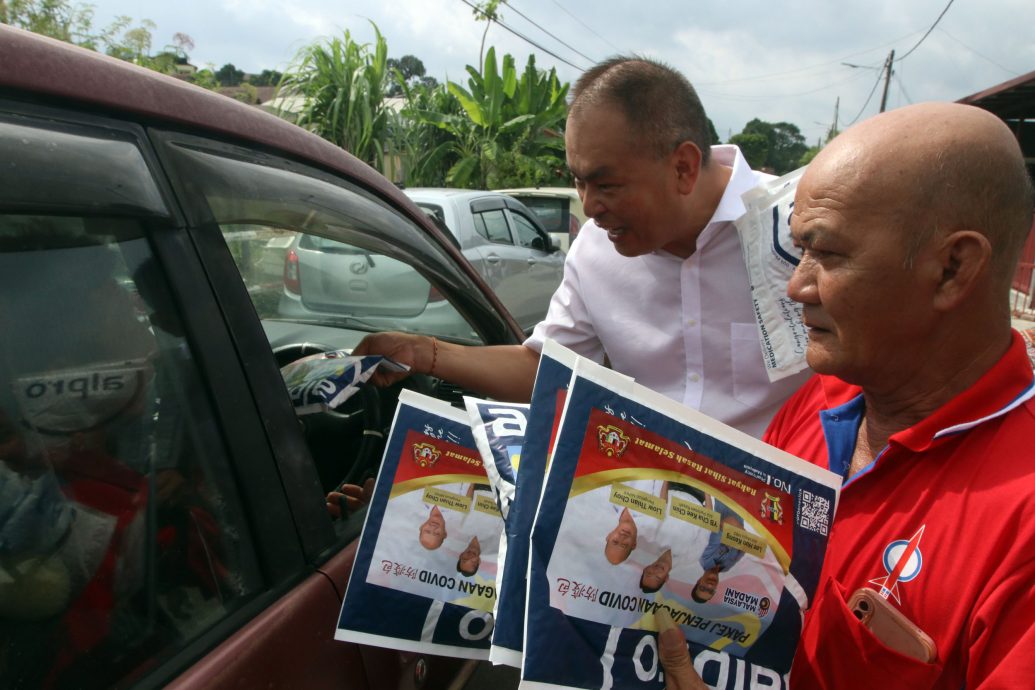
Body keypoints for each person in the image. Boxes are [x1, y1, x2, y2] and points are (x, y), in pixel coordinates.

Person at [660, 102, 1035, 689]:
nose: (796, 284)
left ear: (953, 268)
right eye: (799, 250)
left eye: (827, 254)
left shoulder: (1021, 518)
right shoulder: (819, 404)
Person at [355, 56, 809, 440]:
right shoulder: (596, 250)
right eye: (578, 180)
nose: (590, 208)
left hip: (782, 530)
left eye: (607, 184)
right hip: (643, 521)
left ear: (684, 167)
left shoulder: (801, 231)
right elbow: (548, 371)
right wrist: (424, 354)